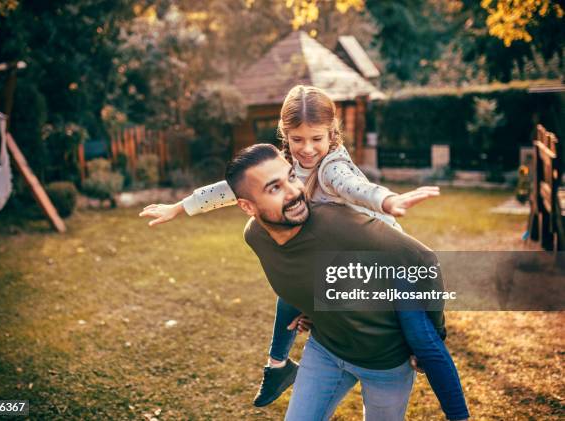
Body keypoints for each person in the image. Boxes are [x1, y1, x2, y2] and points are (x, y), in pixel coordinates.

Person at [140, 86, 469, 420]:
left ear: (332, 135)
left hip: (388, 268)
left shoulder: (331, 167)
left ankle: (458, 412)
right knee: (291, 293)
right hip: (339, 266)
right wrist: (182, 206)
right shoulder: (289, 169)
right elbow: (232, 188)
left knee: (425, 343)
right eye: (297, 140)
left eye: (316, 139)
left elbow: (354, 188)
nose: (308, 149)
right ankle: (278, 366)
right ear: (285, 135)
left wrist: (387, 200)